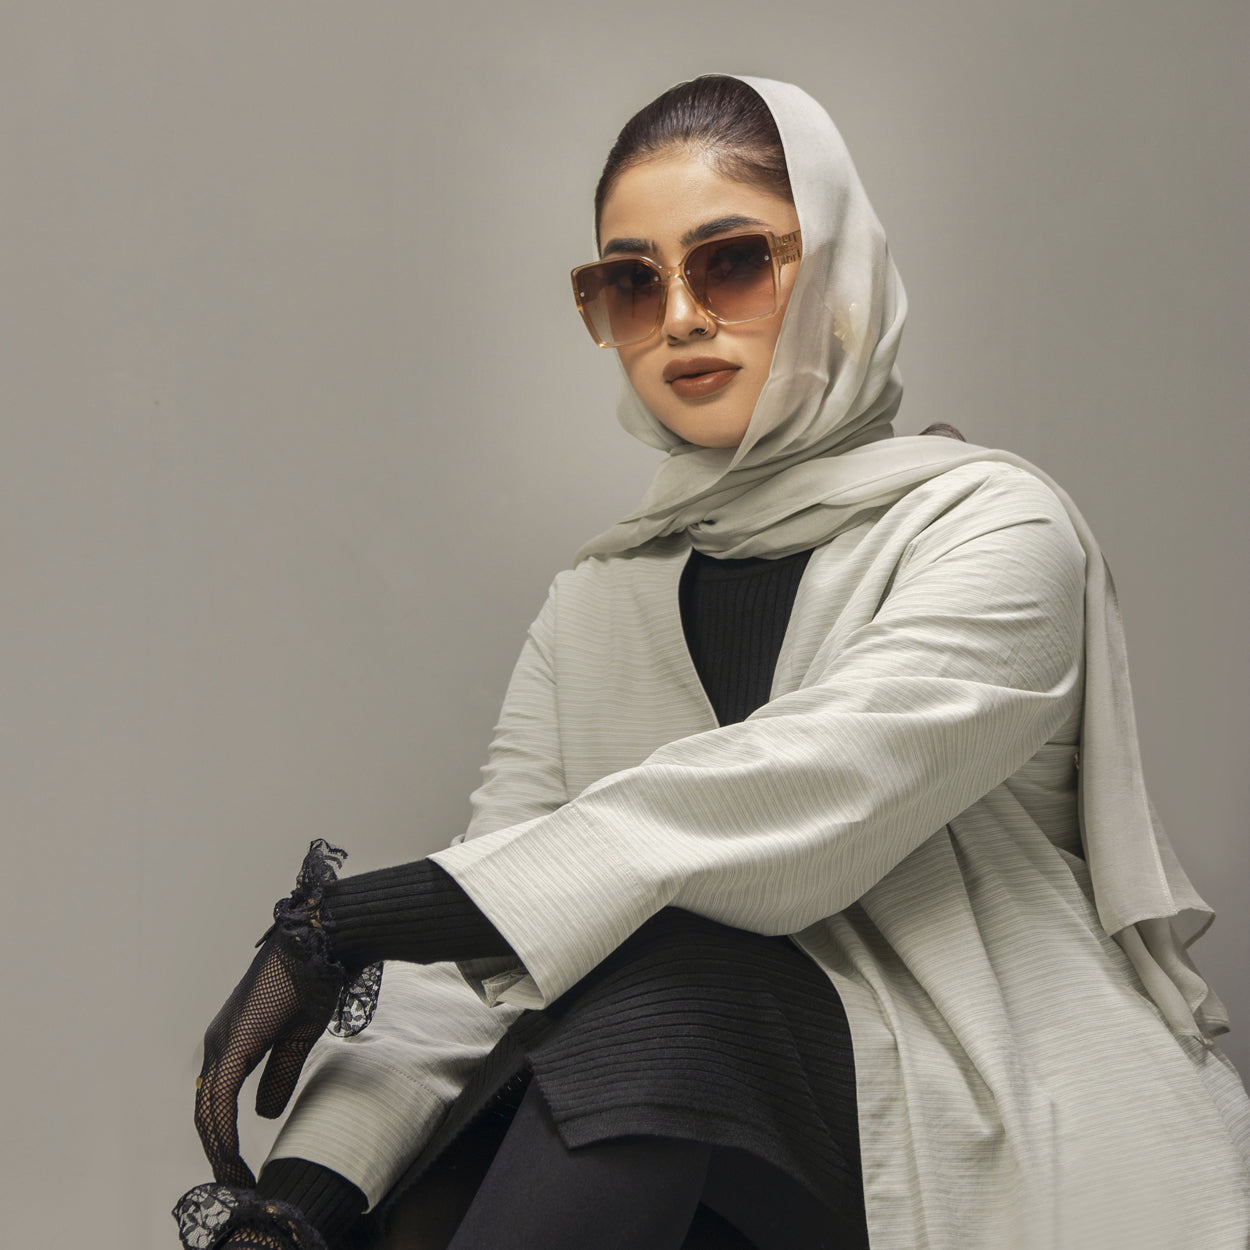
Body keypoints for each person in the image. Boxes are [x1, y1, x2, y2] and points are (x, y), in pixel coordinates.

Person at [173, 75, 1250, 1250]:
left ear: (834, 273)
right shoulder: (597, 601)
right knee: (517, 1069)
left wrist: (349, 919)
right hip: (706, 1157)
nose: (679, 316)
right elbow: (486, 957)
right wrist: (296, 1203)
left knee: (668, 968)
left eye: (730, 263)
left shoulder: (989, 530)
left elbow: (771, 809)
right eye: (632, 283)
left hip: (995, 1131)